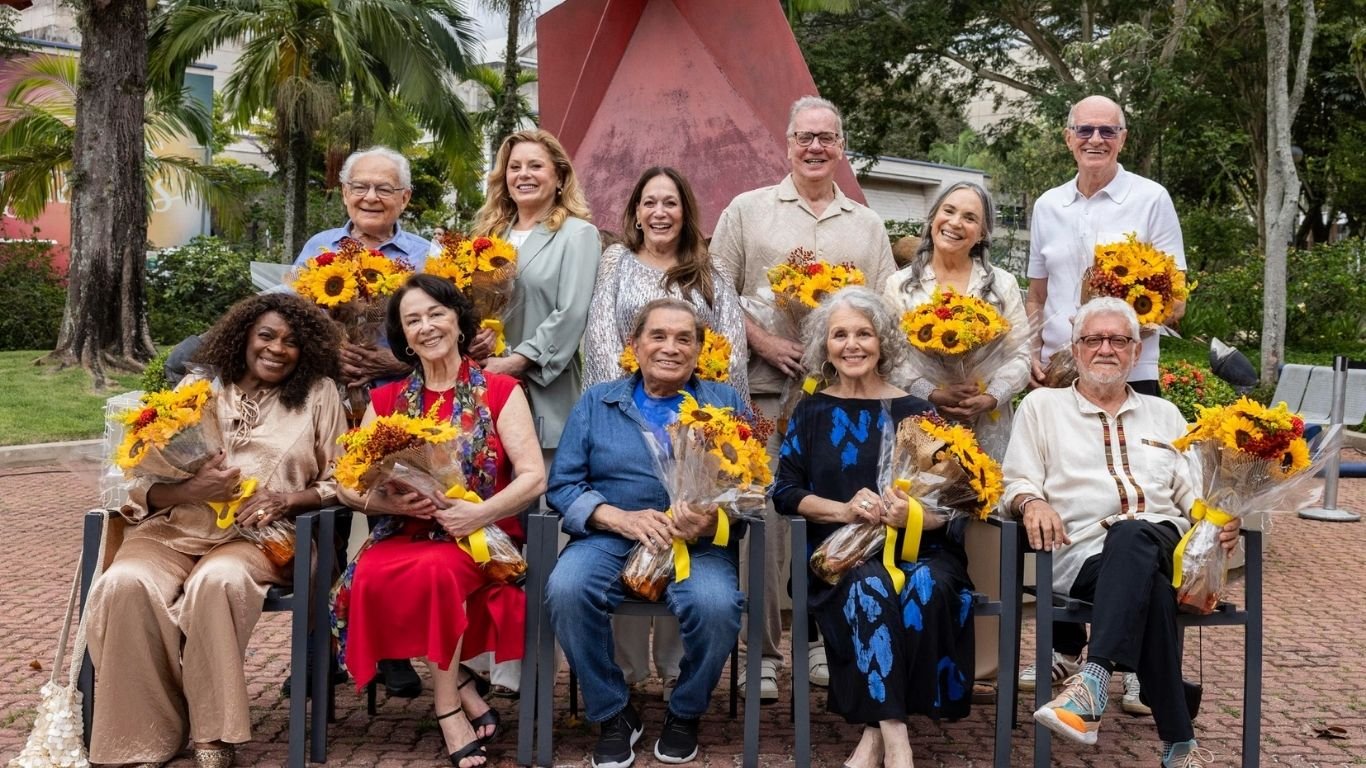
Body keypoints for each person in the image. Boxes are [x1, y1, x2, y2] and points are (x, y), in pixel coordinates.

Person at [84, 293, 347, 768]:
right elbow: (139, 489)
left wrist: (286, 498)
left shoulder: (320, 395)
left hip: (260, 540)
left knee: (216, 582)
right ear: (244, 337)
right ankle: (146, 734)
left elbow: (343, 482)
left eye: (291, 341)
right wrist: (192, 490)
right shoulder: (197, 389)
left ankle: (213, 733)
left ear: (305, 349)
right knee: (124, 584)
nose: (277, 348)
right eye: (266, 335)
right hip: (176, 530)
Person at [711, 95, 897, 699]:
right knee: (764, 518)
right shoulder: (748, 210)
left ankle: (822, 642)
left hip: (841, 403)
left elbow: (883, 312)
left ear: (841, 147)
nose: (815, 147)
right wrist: (765, 341)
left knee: (837, 512)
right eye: (804, 137)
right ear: (786, 143)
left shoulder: (865, 225)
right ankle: (760, 652)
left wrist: (835, 356)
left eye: (827, 138)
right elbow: (716, 294)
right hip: (764, 394)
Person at [1002, 297, 1238, 768]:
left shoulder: (1165, 414)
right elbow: (1017, 479)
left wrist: (1223, 517)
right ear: (1076, 348)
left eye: (1118, 340)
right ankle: (1179, 744)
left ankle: (1091, 682)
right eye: (1093, 339)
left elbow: (1195, 493)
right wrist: (1031, 501)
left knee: (1136, 535)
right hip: (1084, 556)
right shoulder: (1041, 407)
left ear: (1135, 351)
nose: (1105, 348)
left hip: (1170, 546)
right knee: (1140, 575)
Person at [331, 274, 545, 768]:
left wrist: (479, 512)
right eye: (413, 320)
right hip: (403, 532)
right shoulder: (384, 403)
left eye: (435, 314)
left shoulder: (500, 389)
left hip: (479, 538)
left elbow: (534, 477)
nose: (426, 327)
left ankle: (447, 707)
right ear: (402, 336)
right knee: (371, 574)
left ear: (458, 320)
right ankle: (463, 685)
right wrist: (391, 506)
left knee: (435, 574)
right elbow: (348, 482)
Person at [1024, 95, 1187, 705]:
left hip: (1129, 365)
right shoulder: (1048, 204)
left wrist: (1119, 321)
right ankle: (1067, 651)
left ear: (1122, 137)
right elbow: (1038, 292)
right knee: (1070, 488)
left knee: (1135, 498)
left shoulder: (1150, 199)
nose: (1095, 139)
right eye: (1084, 130)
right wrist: (1031, 350)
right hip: (1060, 370)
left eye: (1107, 130)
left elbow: (1174, 301)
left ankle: (1139, 667)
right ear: (1068, 138)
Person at [546, 299, 748, 767]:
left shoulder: (725, 401)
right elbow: (564, 483)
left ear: (700, 350)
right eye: (658, 336)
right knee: (567, 589)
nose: (671, 348)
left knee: (716, 605)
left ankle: (685, 711)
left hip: (693, 544)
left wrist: (714, 518)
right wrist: (616, 517)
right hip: (609, 536)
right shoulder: (599, 400)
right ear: (634, 345)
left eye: (685, 339)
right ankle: (614, 712)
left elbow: (750, 488)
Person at [773, 286, 969, 768]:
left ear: (883, 341)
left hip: (920, 550)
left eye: (864, 333)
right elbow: (784, 492)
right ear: (825, 345)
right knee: (868, 583)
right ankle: (898, 737)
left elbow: (957, 501)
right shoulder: (812, 409)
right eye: (840, 334)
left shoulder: (918, 411)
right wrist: (843, 510)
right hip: (839, 554)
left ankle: (874, 734)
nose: (852, 344)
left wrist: (912, 517)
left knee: (926, 584)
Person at [583, 166, 751, 697]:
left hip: (700, 421)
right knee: (635, 528)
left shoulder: (712, 267)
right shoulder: (615, 261)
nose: (660, 212)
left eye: (671, 203)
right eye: (650, 202)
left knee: (688, 530)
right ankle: (629, 672)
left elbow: (732, 343)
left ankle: (679, 671)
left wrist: (718, 422)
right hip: (630, 411)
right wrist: (624, 410)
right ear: (635, 211)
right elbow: (603, 338)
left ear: (686, 212)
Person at [883, 181, 1028, 705]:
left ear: (983, 231)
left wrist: (988, 397)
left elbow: (1020, 353)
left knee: (985, 530)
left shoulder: (1002, 285)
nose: (956, 223)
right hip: (921, 428)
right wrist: (931, 392)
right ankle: (921, 656)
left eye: (970, 217)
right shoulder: (899, 285)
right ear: (931, 217)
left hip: (986, 426)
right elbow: (890, 356)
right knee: (924, 533)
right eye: (949, 211)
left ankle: (985, 665)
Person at [468, 128, 600, 458]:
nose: (523, 174)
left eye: (535, 166)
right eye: (514, 167)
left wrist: (517, 361)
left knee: (537, 503)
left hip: (543, 390)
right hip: (481, 387)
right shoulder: (487, 236)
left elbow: (571, 313)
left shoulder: (577, 234)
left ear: (559, 177)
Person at [295, 145, 433, 394]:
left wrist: (404, 359)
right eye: (360, 187)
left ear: (405, 198)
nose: (370, 197)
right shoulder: (319, 246)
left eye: (384, 189)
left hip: (406, 395)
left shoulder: (427, 256)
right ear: (345, 193)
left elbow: (450, 329)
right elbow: (291, 312)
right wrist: (329, 354)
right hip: (324, 395)